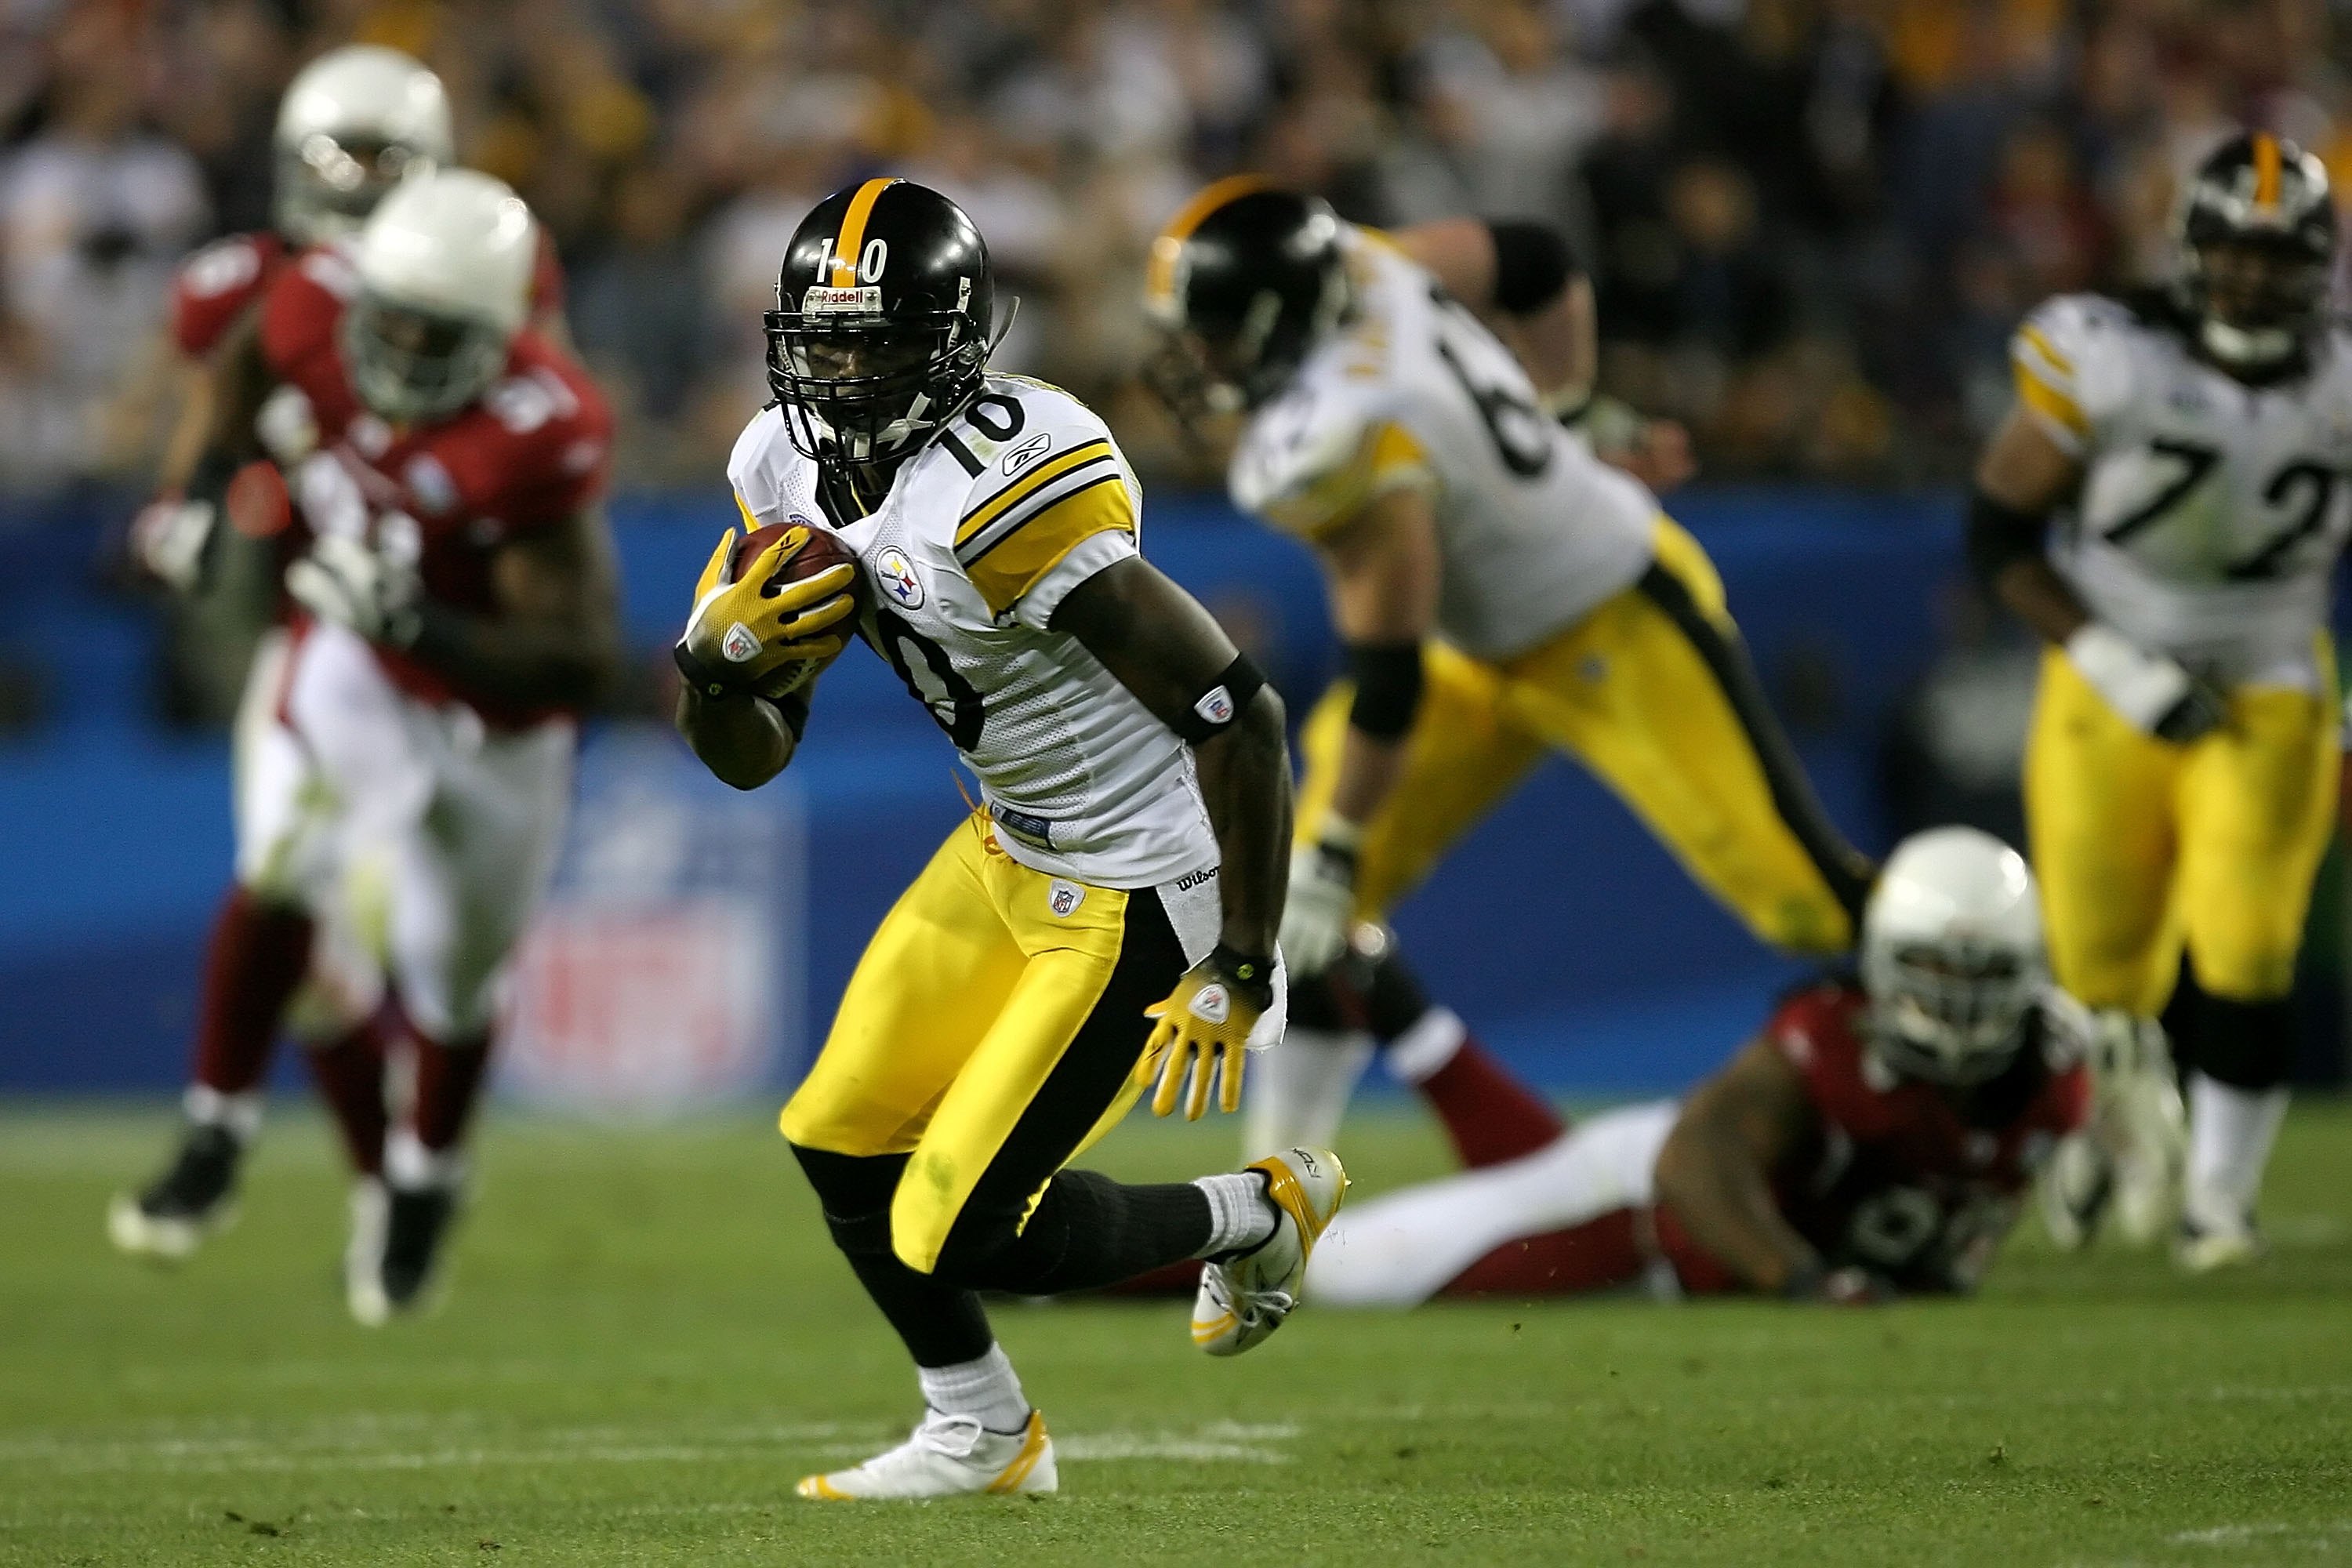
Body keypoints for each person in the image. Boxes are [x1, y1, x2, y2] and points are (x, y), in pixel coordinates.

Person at [674, 178, 1342, 1501]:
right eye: (825, 339)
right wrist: (714, 672)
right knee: (839, 1130)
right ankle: (983, 1433)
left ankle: (1264, 1208)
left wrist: (1245, 962)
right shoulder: (779, 464)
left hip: (1145, 877)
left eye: (877, 340)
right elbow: (751, 761)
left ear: (954, 340)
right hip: (1006, 847)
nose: (845, 369)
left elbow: (1241, 719)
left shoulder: (1007, 488)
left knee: (957, 1223)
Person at [1143, 180, 1873, 1152]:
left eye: (1217, 332)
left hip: (1607, 622)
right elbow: (1533, 258)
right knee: (1285, 894)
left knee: (1807, 898)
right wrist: (1565, 410)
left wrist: (1342, 847)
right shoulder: (1364, 262)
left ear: (1282, 314)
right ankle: (1271, 1200)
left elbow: (1387, 677)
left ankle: (2056, 1054)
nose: (1201, 357)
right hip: (1469, 646)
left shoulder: (1346, 428)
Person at [117, 169, 620, 1323]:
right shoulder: (308, 304)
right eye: (382, 318)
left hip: (492, 720)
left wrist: (421, 622)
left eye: (430, 333)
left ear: (502, 333)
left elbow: (580, 659)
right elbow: (240, 365)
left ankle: (426, 1179)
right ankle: (215, 1123)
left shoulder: (536, 431)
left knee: (450, 983)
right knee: (281, 861)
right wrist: (196, 490)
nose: (394, 345)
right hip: (354, 656)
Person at [1969, 132, 2345, 1270]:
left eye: (2281, 258)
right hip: (2106, 680)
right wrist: (2117, 661)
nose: (2254, 278)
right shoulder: (2107, 353)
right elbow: (1997, 534)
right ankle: (2101, 1123)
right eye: (2233, 251)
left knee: (2247, 941)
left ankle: (2219, 1200)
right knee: (2097, 968)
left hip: (2270, 684)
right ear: (2188, 251)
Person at [1303, 829, 2085, 1306]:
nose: (1955, 1002)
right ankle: (1190, 1229)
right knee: (1322, 1271)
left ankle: (1391, 999)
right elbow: (1695, 1158)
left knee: (1526, 1178)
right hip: (1638, 1212)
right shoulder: (1832, 1036)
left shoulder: (2061, 1066)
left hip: (1637, 1217)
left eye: (1981, 974)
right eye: (1933, 970)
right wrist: (1808, 1280)